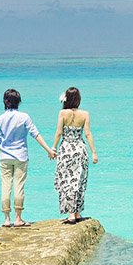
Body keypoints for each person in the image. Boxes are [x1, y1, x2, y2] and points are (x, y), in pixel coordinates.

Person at [0, 89, 55, 228]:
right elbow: (35, 134)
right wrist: (48, 150)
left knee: (5, 186)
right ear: (19, 102)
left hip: (5, 157)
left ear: (5, 101)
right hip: (21, 156)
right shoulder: (24, 117)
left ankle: (6, 219)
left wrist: (0, 157)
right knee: (19, 186)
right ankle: (18, 218)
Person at [52, 87, 98, 224]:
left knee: (67, 180)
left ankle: (71, 214)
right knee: (79, 180)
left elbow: (59, 133)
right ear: (78, 99)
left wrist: (53, 148)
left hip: (66, 148)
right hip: (80, 148)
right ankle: (77, 213)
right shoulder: (85, 114)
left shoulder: (62, 113)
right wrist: (94, 152)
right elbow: (88, 133)